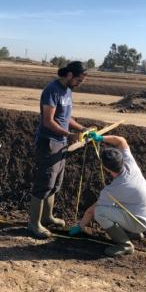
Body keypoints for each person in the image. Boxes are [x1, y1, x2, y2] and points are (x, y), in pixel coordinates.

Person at [29, 61, 88, 239]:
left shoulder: (68, 91)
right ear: (69, 75)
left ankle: (48, 217)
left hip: (61, 142)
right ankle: (34, 224)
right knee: (44, 183)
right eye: (79, 79)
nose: (80, 83)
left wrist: (81, 129)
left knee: (55, 182)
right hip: (49, 143)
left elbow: (65, 118)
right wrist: (68, 134)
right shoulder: (51, 90)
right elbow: (48, 121)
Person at [69, 133, 146, 256]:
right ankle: (133, 232)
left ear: (106, 168)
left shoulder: (114, 189)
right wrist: (101, 137)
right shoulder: (130, 163)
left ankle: (125, 244)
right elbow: (121, 141)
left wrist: (80, 226)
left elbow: (91, 211)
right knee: (113, 206)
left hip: (140, 221)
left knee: (100, 212)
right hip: (145, 214)